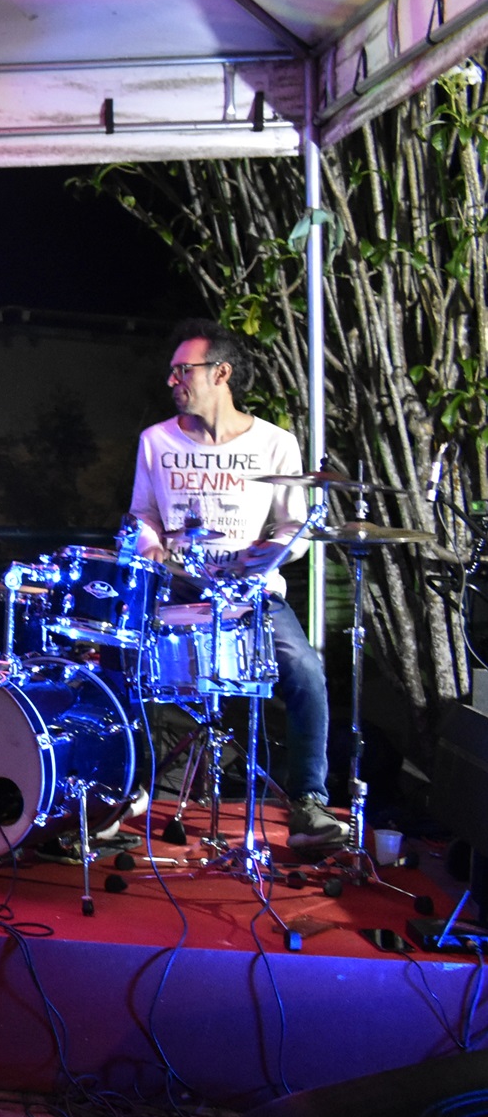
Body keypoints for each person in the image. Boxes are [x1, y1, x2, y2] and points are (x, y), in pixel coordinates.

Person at [125, 319, 343, 851]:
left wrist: (269, 555)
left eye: (183, 370)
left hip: (251, 595)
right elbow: (142, 515)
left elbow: (295, 527)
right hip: (180, 590)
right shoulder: (156, 441)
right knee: (119, 658)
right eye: (173, 371)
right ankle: (123, 787)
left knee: (305, 671)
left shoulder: (275, 443)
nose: (173, 380)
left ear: (220, 373)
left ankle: (309, 800)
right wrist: (148, 545)